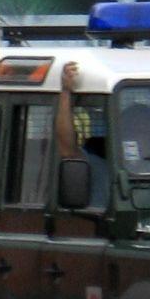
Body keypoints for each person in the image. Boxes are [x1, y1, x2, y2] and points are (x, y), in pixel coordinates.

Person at [54, 63, 110, 209]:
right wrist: (66, 92)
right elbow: (68, 151)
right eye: (136, 129)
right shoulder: (98, 166)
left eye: (146, 131)